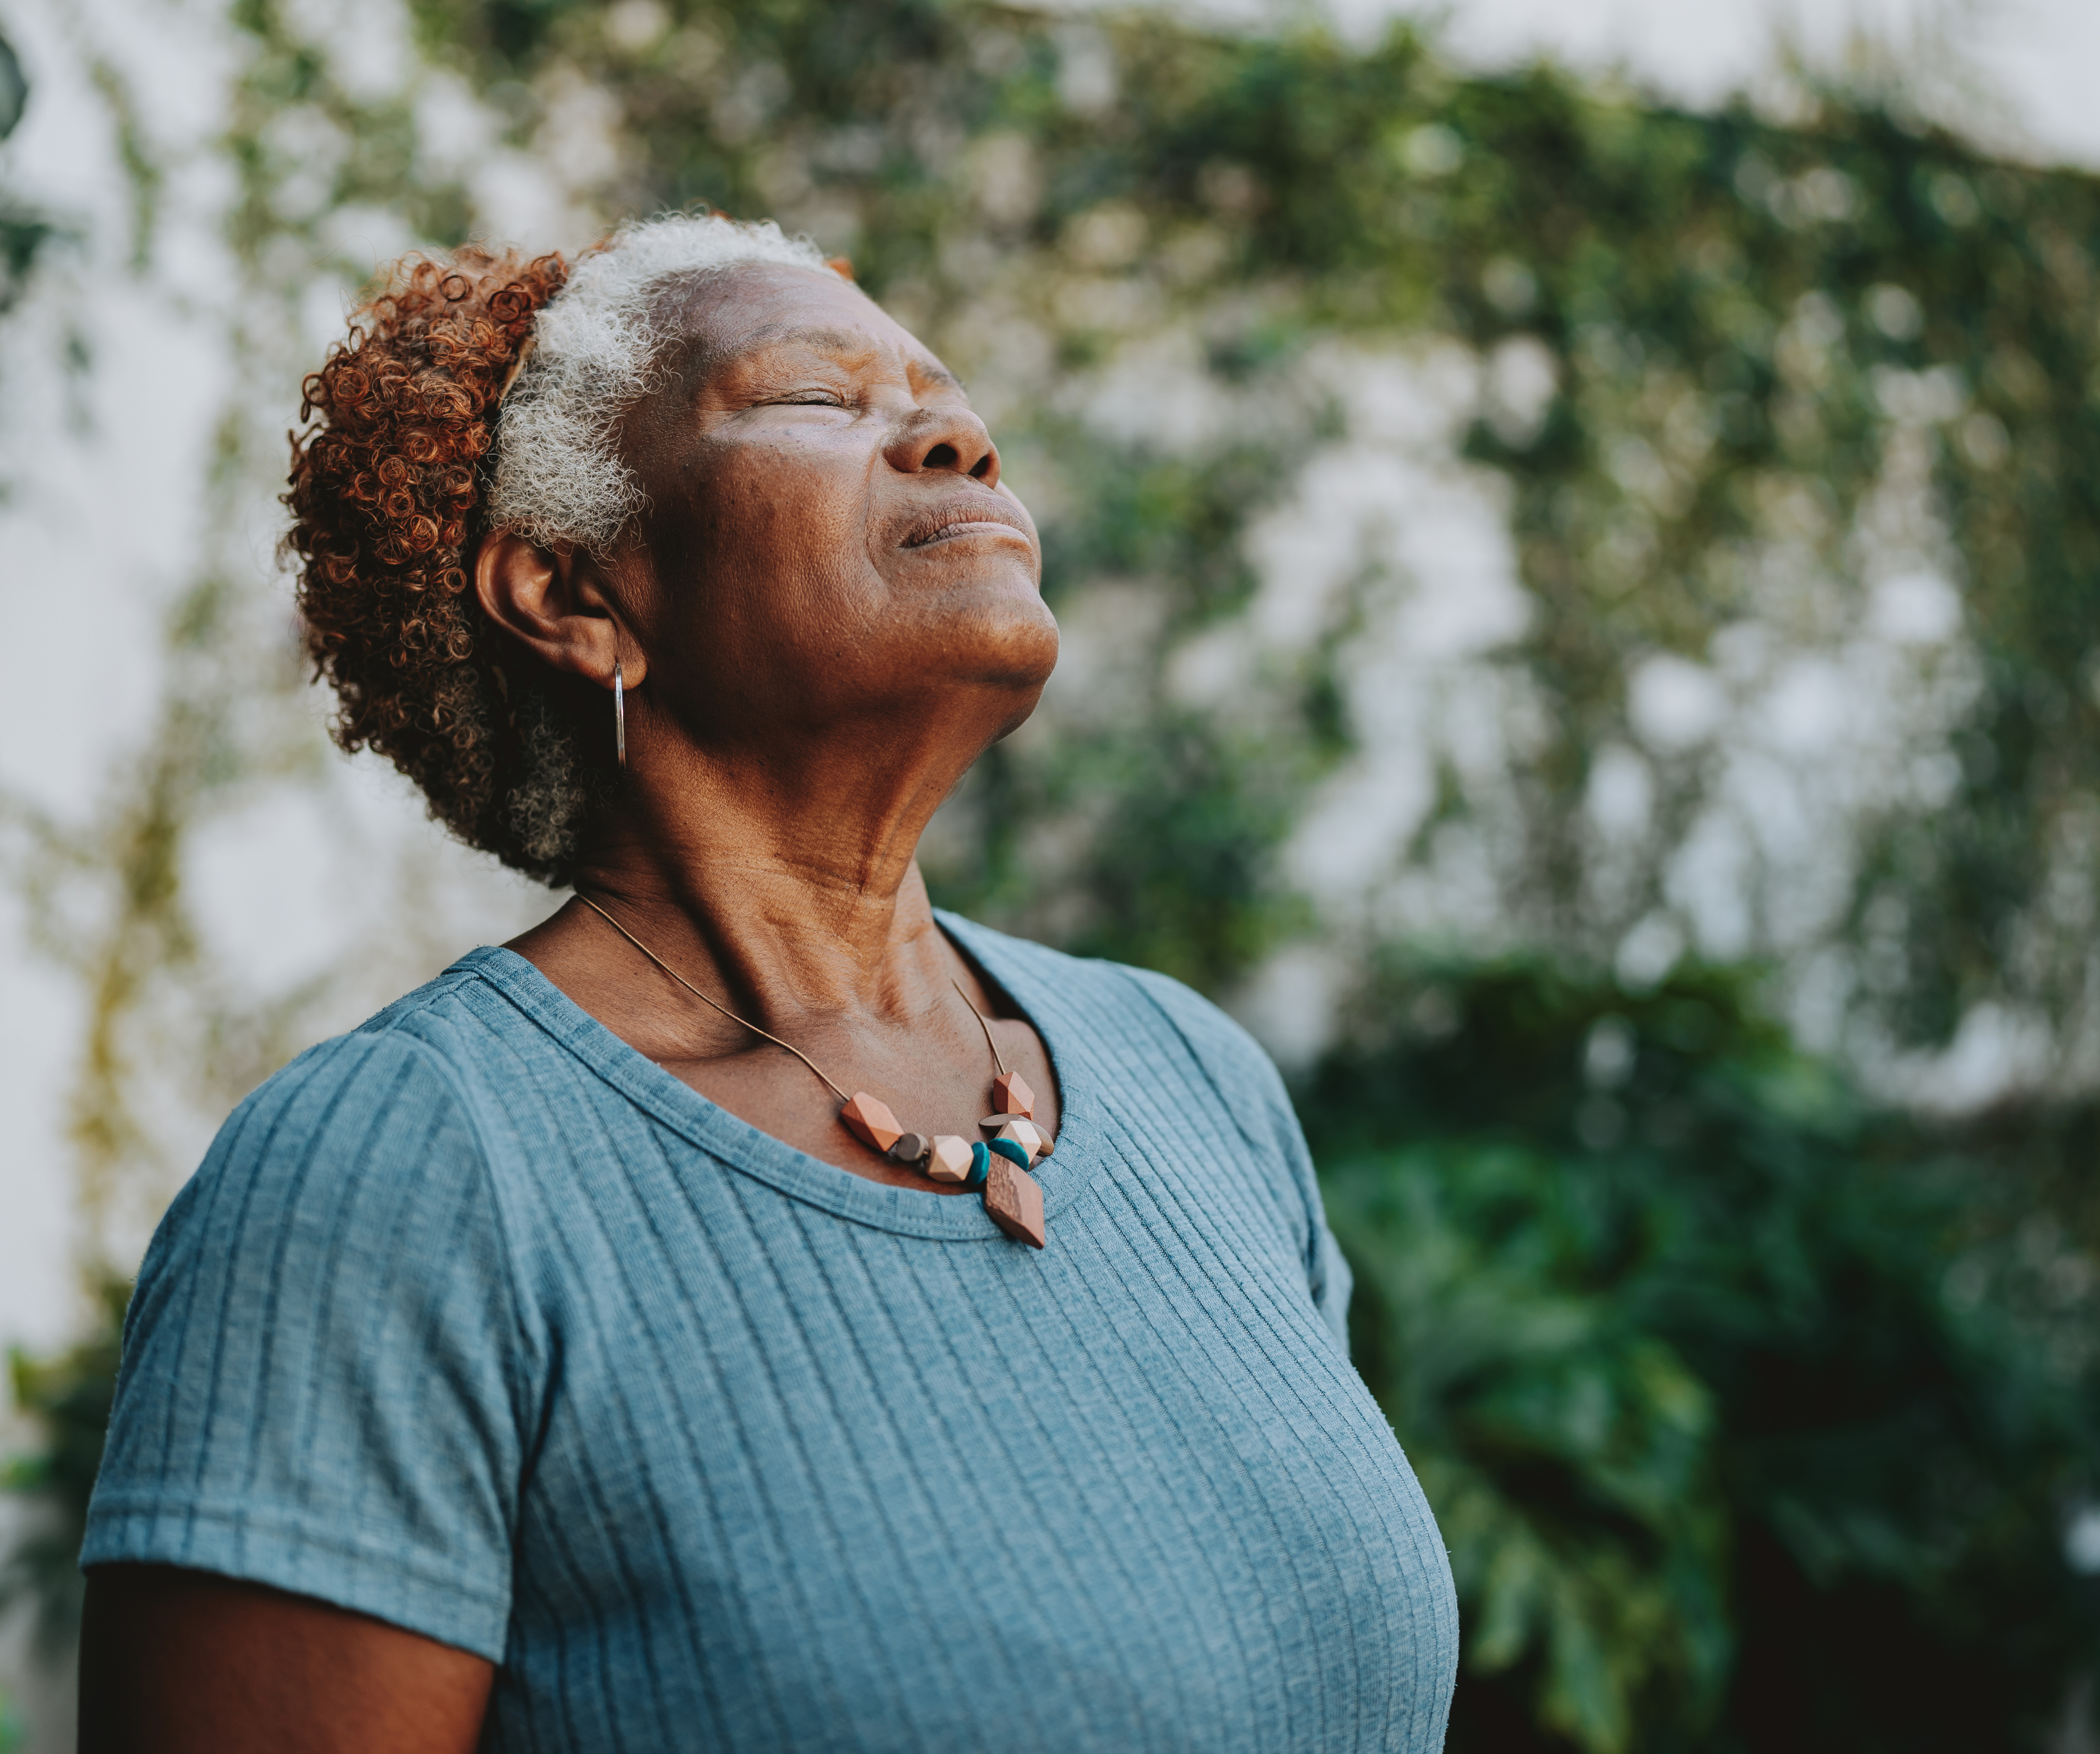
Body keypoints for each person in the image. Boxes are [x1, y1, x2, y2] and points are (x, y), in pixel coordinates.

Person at [75, 213, 1457, 1753]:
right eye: (815, 396)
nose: (955, 436)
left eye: (946, 397)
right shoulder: (400, 1179)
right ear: (574, 595)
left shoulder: (1186, 1073)